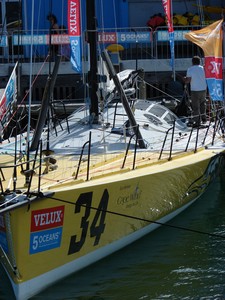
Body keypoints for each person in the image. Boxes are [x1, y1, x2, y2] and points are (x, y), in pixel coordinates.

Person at [184, 56, 207, 127]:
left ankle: (197, 121)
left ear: (192, 62)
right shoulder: (203, 69)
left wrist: (184, 79)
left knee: (196, 106)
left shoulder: (190, 69)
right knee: (203, 104)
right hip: (203, 89)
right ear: (199, 61)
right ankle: (204, 119)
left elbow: (188, 81)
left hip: (195, 90)